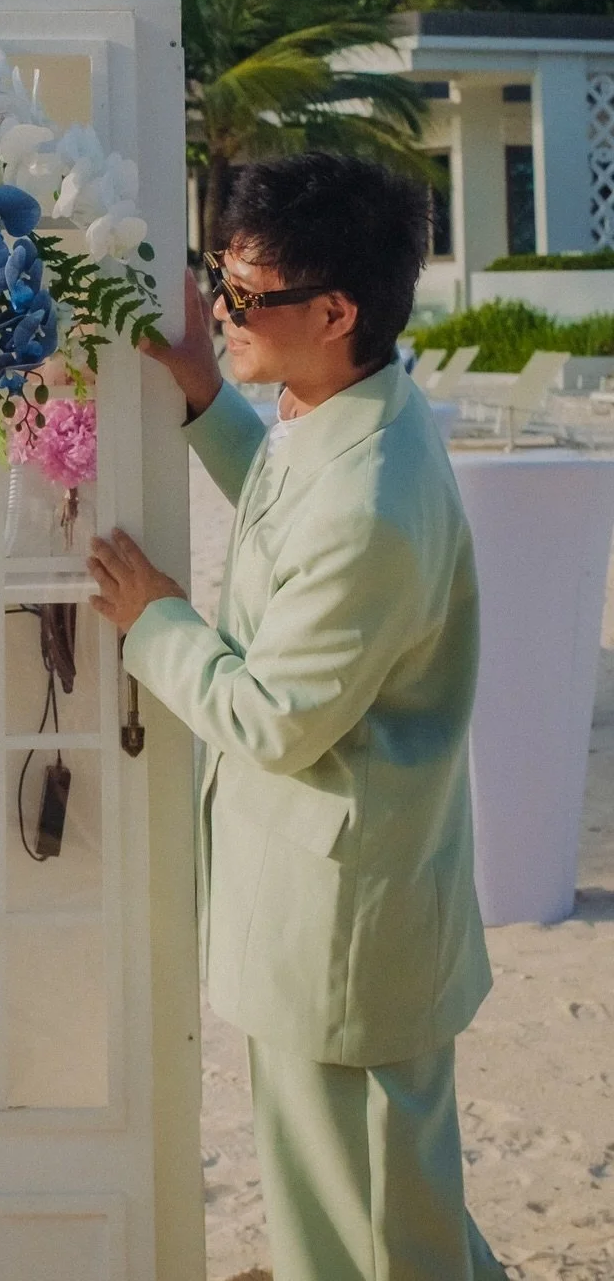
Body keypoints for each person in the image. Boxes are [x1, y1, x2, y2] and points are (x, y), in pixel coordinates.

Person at [88, 154, 504, 1281]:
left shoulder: (372, 499)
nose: (220, 312)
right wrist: (202, 393)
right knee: (387, 1206)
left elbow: (274, 720)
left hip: (349, 922)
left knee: (363, 1227)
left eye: (243, 298)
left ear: (336, 310)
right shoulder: (350, 413)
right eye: (219, 280)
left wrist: (155, 621)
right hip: (345, 897)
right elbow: (287, 498)